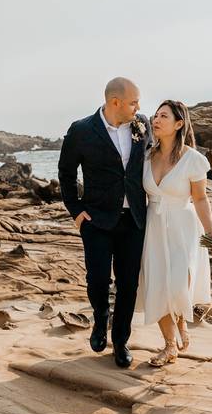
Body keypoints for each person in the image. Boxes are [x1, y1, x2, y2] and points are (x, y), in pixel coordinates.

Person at [57, 78, 151, 368]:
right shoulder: (82, 130)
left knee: (128, 285)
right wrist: (76, 211)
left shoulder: (142, 125)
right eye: (134, 101)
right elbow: (66, 173)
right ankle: (100, 320)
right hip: (96, 220)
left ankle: (120, 340)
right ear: (115, 102)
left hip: (134, 219)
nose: (139, 107)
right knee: (97, 280)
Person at [136, 99, 212, 367]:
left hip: (183, 227)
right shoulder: (145, 156)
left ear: (179, 124)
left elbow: (200, 200)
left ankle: (182, 322)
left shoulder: (193, 160)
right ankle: (169, 346)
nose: (156, 120)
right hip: (153, 226)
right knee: (159, 285)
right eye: (155, 115)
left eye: (163, 116)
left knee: (176, 284)